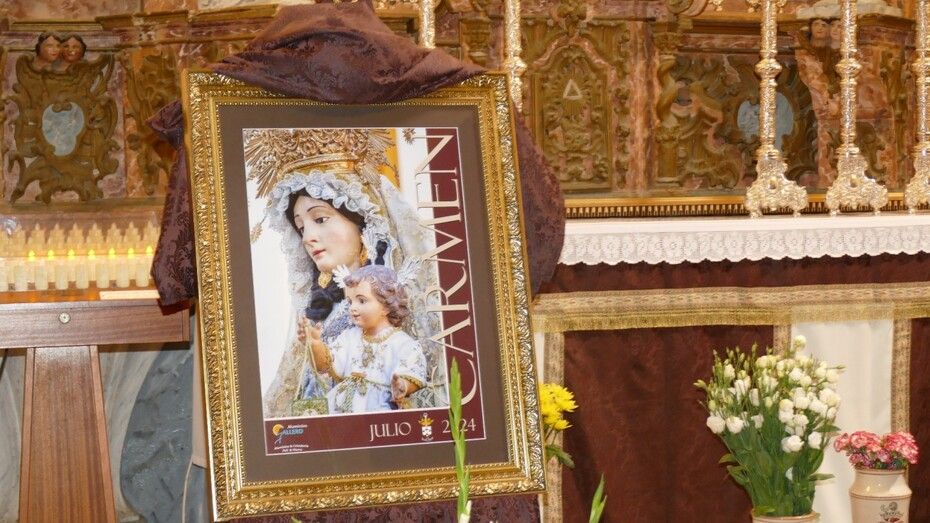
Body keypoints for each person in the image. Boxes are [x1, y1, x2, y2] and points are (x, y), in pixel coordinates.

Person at [252, 128, 444, 418]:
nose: (308, 238)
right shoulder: (324, 315)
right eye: (301, 228)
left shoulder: (390, 308)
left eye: (320, 219)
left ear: (363, 224)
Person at [301, 264, 427, 414]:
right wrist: (315, 343)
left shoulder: (402, 343)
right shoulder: (349, 337)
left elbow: (413, 371)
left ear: (386, 306)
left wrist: (403, 386)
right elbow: (325, 365)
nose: (352, 308)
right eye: (350, 302)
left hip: (379, 408)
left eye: (361, 301)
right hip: (342, 406)